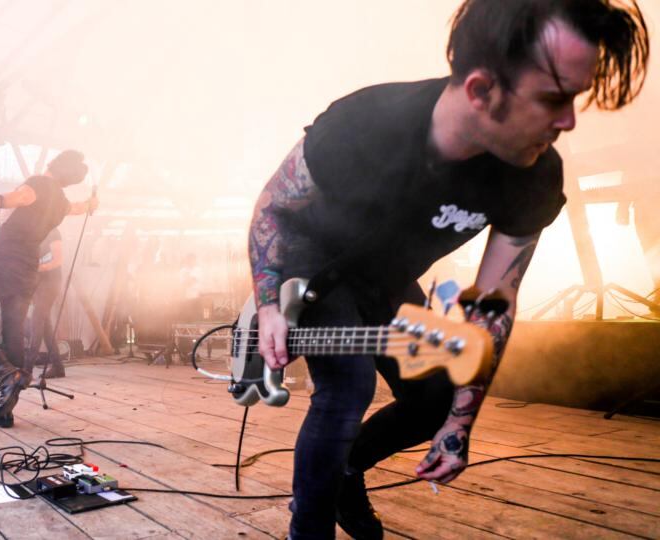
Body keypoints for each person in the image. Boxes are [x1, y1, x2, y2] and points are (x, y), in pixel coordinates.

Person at [247, 1, 649, 538]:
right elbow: (273, 209)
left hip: (386, 280)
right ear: (481, 90)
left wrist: (460, 422)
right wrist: (271, 306)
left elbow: (493, 306)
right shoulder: (363, 124)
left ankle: (347, 471)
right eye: (553, 99)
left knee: (435, 398)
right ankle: (310, 530)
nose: (569, 121)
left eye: (573, 99)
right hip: (315, 268)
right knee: (348, 389)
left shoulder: (532, 176)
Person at [0, 150, 98, 427]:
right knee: (13, 335)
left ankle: (5, 372)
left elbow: (22, 197)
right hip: (27, 273)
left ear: (52, 164)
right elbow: (79, 209)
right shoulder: (62, 202)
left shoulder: (40, 183)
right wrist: (92, 203)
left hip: (0, 267)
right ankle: (5, 410)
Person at [29, 227, 65, 378]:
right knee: (45, 326)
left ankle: (27, 368)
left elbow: (58, 259)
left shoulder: (53, 232)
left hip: (51, 282)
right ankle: (58, 366)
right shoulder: (32, 233)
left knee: (37, 320)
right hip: (38, 284)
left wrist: (41, 267)